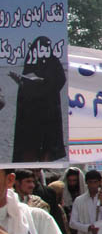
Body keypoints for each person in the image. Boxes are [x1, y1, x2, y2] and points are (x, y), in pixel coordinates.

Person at [10, 35, 66, 163]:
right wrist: (21, 82)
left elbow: (60, 80)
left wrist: (44, 84)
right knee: (29, 144)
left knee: (48, 143)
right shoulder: (31, 62)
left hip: (48, 111)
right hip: (30, 113)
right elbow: (25, 86)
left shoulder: (53, 61)